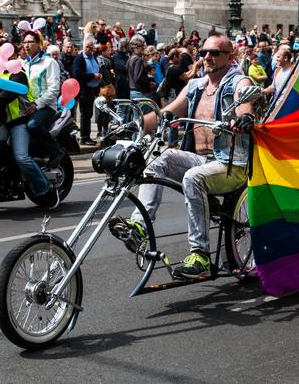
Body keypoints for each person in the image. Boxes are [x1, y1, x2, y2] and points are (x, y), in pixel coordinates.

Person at [108, 34, 255, 279]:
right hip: (200, 159)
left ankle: (200, 255)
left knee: (193, 178)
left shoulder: (238, 81)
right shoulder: (196, 86)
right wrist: (132, 126)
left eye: (214, 53)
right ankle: (139, 227)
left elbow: (244, 100)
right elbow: (166, 112)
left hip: (229, 164)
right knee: (157, 158)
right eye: (203, 52)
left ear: (230, 57)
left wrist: (245, 117)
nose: (207, 57)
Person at [0, 64, 59, 209]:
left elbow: (10, 92)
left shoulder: (17, 73)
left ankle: (46, 189)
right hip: (1, 122)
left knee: (21, 157)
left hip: (19, 121)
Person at [22, 31, 64, 165]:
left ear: (38, 43)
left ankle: (56, 150)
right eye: (24, 42)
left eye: (30, 42)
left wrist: (37, 104)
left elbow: (54, 89)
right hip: (26, 106)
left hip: (45, 106)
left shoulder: (49, 62)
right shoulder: (23, 64)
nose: (26, 45)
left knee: (33, 125)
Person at [72, 37, 102, 145]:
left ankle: (87, 136)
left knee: (89, 114)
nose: (88, 48)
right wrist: (93, 76)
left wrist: (99, 76)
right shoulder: (79, 59)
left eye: (90, 46)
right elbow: (77, 74)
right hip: (84, 90)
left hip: (92, 90)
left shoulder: (94, 57)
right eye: (86, 46)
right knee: (85, 114)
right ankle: (84, 137)